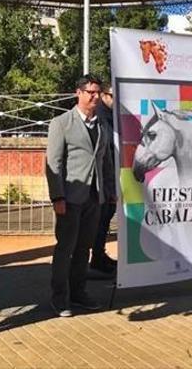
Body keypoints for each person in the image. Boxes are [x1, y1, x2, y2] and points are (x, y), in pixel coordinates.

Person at [45, 74, 115, 317]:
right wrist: (57, 197)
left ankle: (79, 293)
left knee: (84, 248)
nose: (95, 97)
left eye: (97, 92)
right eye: (90, 92)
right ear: (79, 93)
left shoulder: (103, 126)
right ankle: (59, 298)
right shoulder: (61, 123)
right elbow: (53, 164)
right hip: (70, 197)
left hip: (95, 197)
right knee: (66, 248)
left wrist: (110, 191)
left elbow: (105, 161)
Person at [90, 85, 117, 274]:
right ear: (105, 96)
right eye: (113, 96)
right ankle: (96, 258)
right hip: (100, 177)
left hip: (109, 174)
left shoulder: (109, 115)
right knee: (100, 218)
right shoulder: (100, 115)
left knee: (106, 215)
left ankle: (99, 255)